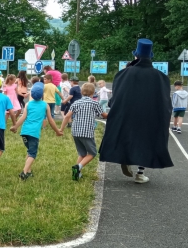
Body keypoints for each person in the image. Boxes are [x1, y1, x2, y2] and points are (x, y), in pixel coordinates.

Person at [98, 39, 173, 184]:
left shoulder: (123, 74)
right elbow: (165, 102)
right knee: (145, 142)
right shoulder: (160, 77)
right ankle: (140, 173)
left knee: (126, 135)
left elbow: (117, 97)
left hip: (128, 114)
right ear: (150, 56)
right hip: (149, 117)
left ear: (136, 56)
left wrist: (112, 105)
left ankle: (125, 158)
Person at [10, 82, 62, 180]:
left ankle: (29, 171)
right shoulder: (45, 105)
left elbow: (23, 118)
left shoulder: (28, 104)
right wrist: (57, 131)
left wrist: (15, 126)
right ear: (42, 94)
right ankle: (24, 172)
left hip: (24, 132)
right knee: (32, 154)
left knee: (29, 151)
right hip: (34, 134)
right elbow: (50, 120)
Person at [60, 83, 107, 181]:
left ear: (82, 91)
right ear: (93, 92)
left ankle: (77, 173)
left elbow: (68, 116)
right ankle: (79, 167)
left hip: (75, 131)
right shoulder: (94, 103)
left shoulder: (76, 103)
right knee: (92, 153)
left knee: (82, 153)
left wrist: (61, 129)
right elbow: (103, 115)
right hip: (87, 132)